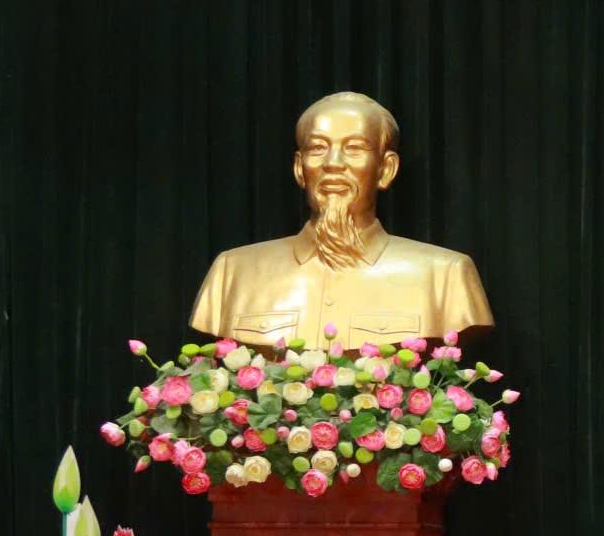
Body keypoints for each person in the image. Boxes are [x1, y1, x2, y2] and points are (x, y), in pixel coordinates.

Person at [190, 91, 492, 349]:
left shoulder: (445, 276)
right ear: (299, 168)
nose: (333, 163)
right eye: (318, 148)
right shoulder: (233, 272)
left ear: (386, 169)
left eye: (354, 148)